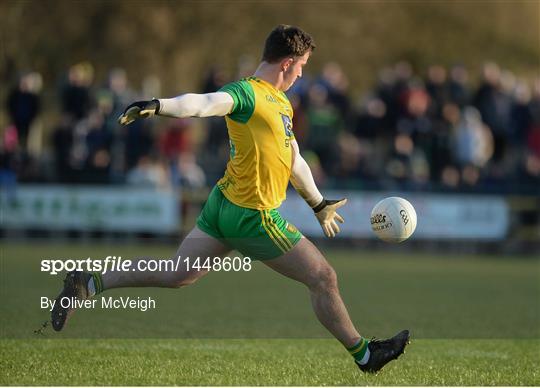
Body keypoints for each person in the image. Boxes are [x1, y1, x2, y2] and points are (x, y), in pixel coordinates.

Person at [51, 25, 409, 374]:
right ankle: (365, 355)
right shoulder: (248, 92)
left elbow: (294, 158)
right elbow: (205, 103)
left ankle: (88, 282)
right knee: (323, 278)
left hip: (223, 205)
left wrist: (318, 203)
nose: (302, 76)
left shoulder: (281, 104)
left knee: (178, 273)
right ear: (287, 63)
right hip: (252, 215)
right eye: (301, 67)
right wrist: (159, 105)